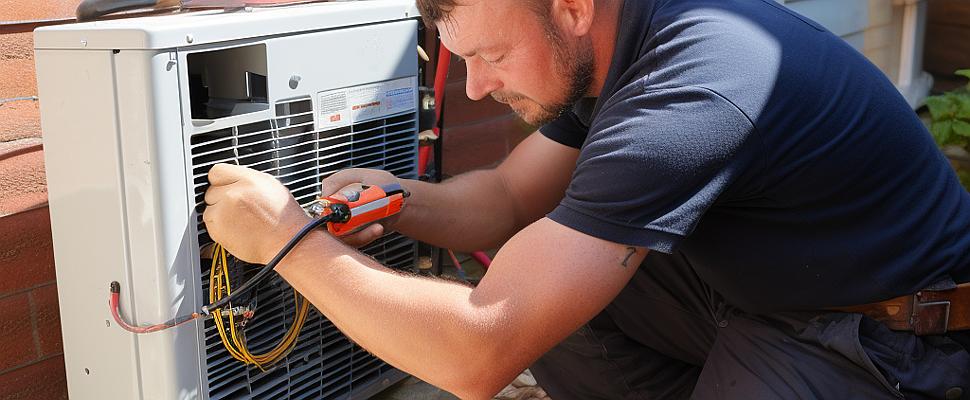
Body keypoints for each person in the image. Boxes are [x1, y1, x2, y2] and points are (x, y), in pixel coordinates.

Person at [202, 0, 970, 398]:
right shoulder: (620, 41)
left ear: (570, 8)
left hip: (886, 342)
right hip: (771, 291)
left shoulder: (693, 83)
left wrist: (287, 239)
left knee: (528, 304)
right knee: (550, 277)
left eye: (492, 54)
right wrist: (396, 199)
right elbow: (506, 197)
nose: (476, 86)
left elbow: (476, 356)